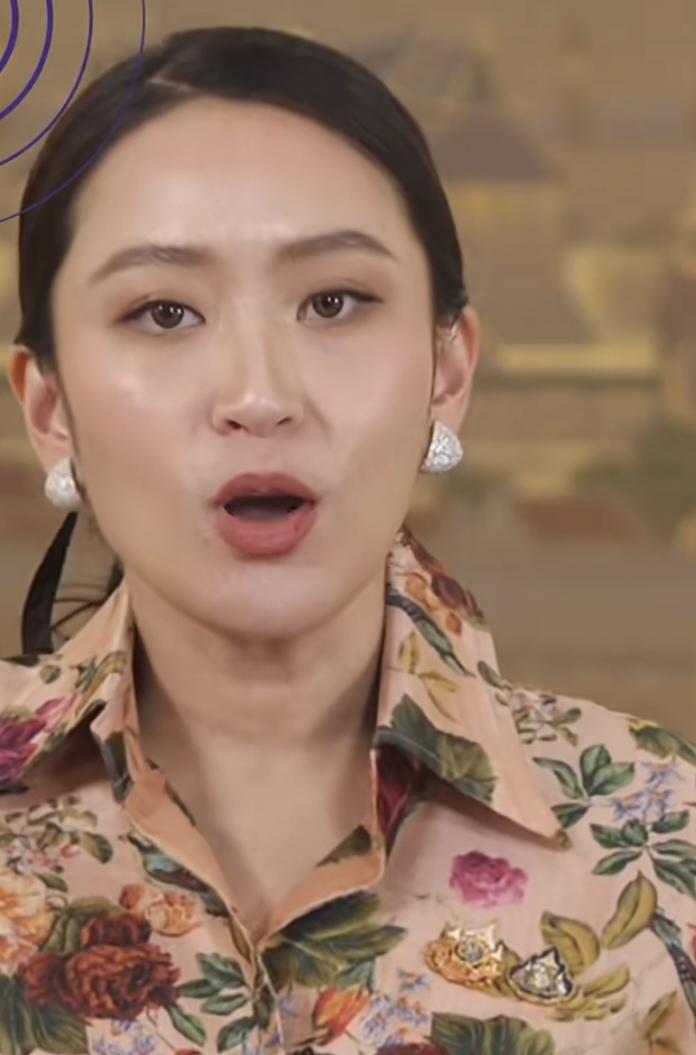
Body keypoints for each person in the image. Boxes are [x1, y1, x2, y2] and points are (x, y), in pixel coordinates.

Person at [2, 25, 695, 1055]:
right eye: (163, 312)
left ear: (447, 372)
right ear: (49, 406)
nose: (260, 394)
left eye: (335, 301)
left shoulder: (660, 832)